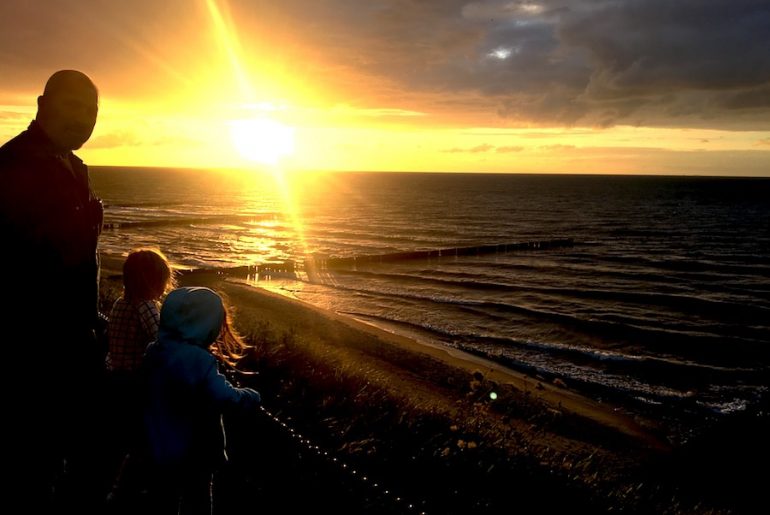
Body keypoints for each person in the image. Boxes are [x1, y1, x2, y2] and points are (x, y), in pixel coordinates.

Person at [0, 70, 104, 512]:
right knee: (29, 470)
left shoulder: (74, 167)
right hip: (28, 353)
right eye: (73, 105)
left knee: (61, 464)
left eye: (92, 110)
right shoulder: (13, 165)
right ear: (43, 105)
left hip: (70, 347)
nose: (83, 118)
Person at [142, 286, 261, 515]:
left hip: (157, 442)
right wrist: (251, 396)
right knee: (197, 500)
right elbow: (226, 397)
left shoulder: (154, 350)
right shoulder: (199, 360)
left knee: (162, 499)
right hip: (195, 450)